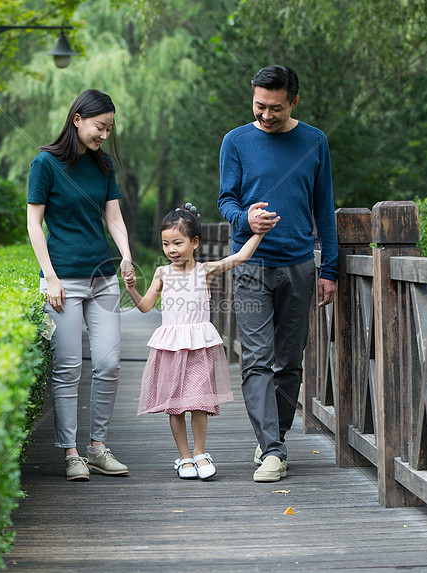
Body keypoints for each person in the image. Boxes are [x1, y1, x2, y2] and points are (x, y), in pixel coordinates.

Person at [218, 64, 338, 483]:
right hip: (250, 264)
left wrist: (331, 269)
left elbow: (324, 209)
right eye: (259, 106)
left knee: (289, 361)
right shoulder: (235, 141)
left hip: (300, 265)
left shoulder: (315, 141)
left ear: (294, 102)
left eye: (275, 108)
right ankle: (272, 449)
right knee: (256, 360)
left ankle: (275, 436)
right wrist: (244, 219)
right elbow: (225, 200)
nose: (265, 115)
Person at [27, 89, 135, 482]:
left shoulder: (104, 166)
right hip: (63, 282)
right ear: (77, 120)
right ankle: (72, 453)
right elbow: (33, 225)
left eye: (108, 129)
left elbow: (115, 219)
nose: (104, 135)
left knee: (108, 363)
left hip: (103, 277)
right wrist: (50, 277)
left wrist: (124, 254)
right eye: (98, 127)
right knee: (68, 368)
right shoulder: (45, 164)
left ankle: (98, 448)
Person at [123, 203, 269, 480]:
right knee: (175, 404)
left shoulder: (205, 271)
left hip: (200, 346)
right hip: (171, 347)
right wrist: (131, 287)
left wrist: (259, 232)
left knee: (200, 401)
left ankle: (200, 452)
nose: (172, 250)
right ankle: (184, 457)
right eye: (166, 244)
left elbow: (239, 257)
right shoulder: (161, 274)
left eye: (178, 243)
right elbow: (144, 307)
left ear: (195, 243)